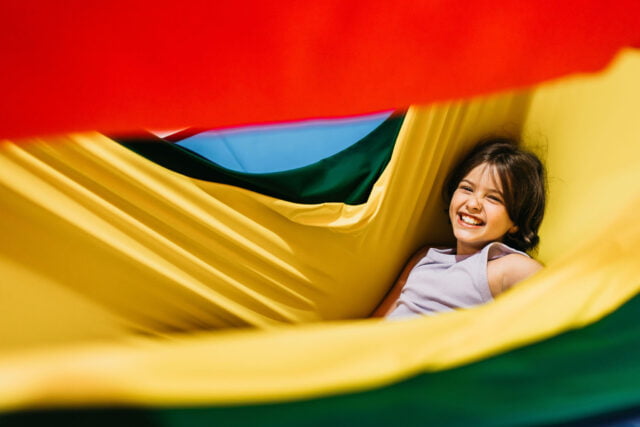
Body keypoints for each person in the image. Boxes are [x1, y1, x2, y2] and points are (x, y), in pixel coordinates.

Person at [373, 137, 546, 318]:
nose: (473, 203)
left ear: (516, 223)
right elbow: (375, 322)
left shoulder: (510, 268)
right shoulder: (426, 256)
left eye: (493, 198)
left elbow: (559, 303)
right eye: (467, 189)